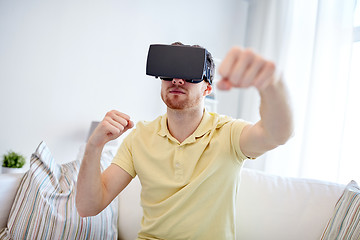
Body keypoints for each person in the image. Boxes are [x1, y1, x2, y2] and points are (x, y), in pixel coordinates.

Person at [76, 42, 293, 240]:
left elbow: (277, 134)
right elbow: (88, 207)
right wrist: (94, 146)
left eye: (190, 74)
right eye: (170, 73)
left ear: (207, 88)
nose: (177, 80)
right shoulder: (139, 137)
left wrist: (272, 84)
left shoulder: (228, 133)